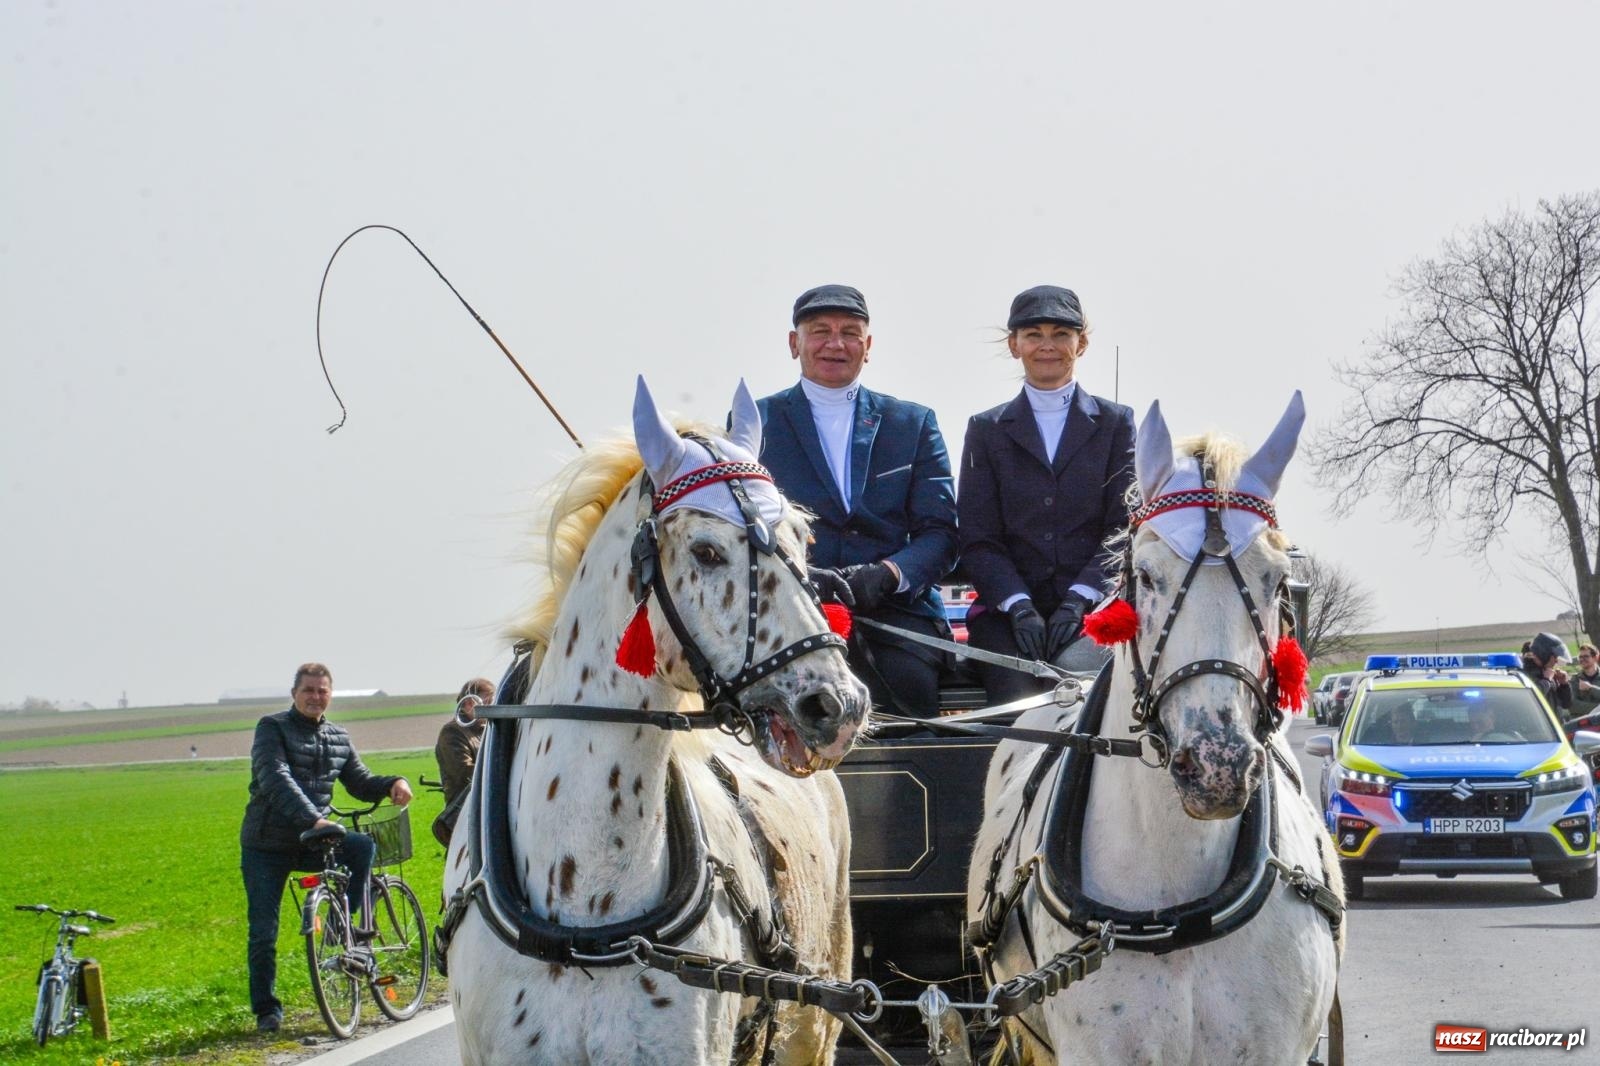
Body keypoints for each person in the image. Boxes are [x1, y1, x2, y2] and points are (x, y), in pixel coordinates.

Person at [755, 285, 959, 715]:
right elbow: (747, 529)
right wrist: (805, 576)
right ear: (795, 343)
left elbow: (939, 531)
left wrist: (887, 574)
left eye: (850, 332)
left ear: (868, 347)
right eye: (820, 331)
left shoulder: (913, 423)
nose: (835, 343)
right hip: (794, 613)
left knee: (908, 689)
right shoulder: (757, 422)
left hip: (896, 615)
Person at [957, 285, 1136, 705]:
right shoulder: (986, 429)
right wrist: (1018, 604)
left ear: (1082, 342)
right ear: (1014, 344)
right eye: (1034, 334)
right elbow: (979, 537)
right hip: (1008, 618)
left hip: (1093, 611)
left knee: (1085, 697)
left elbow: (1122, 527)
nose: (1047, 346)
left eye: (1061, 334)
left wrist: (1080, 599)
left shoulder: (1116, 423)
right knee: (1017, 708)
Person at [239, 663, 412, 1033]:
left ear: (330, 695)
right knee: (263, 931)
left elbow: (359, 780)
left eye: (322, 691)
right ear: (294, 694)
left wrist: (392, 783)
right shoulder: (272, 729)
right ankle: (267, 1011)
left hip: (314, 838)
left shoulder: (337, 736)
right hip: (266, 844)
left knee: (362, 847)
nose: (316, 697)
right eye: (309, 690)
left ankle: (338, 924)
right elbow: (275, 777)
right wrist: (312, 818)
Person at [435, 677, 492, 805]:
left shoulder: (487, 729)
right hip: (462, 809)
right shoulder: (451, 732)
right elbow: (464, 773)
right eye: (488, 702)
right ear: (469, 703)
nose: (493, 708)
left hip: (486, 801)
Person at [1521, 632, 1573, 715]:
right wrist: (1546, 681)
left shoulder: (1548, 672)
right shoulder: (1524, 675)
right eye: (1555, 657)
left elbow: (1566, 704)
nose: (1556, 661)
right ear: (1544, 654)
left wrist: (1564, 685)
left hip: (1554, 726)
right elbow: (1531, 698)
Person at [1570, 643, 1599, 716]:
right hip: (1584, 724)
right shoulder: (1574, 680)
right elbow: (1572, 705)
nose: (1582, 659)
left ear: (1595, 657)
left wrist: (1591, 688)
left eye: (1586, 656)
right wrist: (1597, 708)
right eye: (1580, 657)